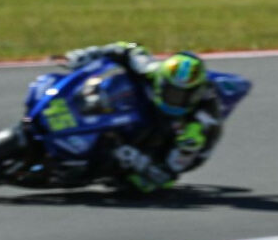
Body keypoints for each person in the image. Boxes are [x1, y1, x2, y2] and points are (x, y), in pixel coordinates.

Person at [62, 42, 224, 192]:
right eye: (171, 92)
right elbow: (127, 48)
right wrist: (92, 53)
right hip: (146, 110)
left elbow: (168, 175)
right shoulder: (150, 69)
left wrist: (135, 159)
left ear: (194, 95)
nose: (175, 99)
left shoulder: (200, 122)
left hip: (170, 146)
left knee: (139, 185)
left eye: (182, 95)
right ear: (161, 81)